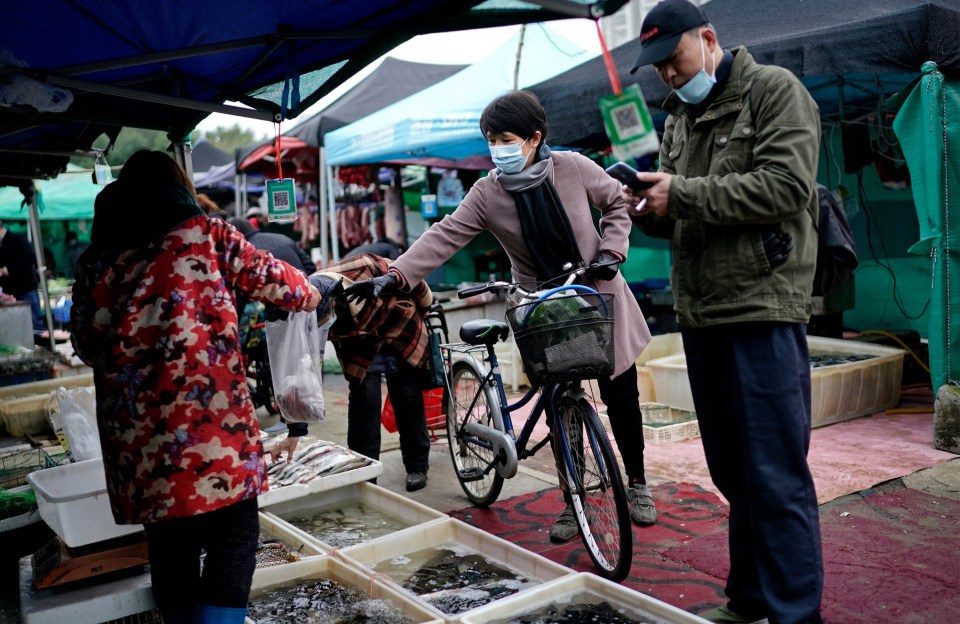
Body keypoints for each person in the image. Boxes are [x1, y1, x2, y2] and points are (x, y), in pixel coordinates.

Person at [344, 90, 658, 542]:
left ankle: (638, 483)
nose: (497, 149)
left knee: (622, 395)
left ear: (534, 138)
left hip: (598, 291)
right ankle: (576, 500)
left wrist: (612, 251)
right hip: (541, 304)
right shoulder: (488, 192)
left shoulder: (572, 167)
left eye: (505, 138)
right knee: (557, 406)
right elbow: (445, 234)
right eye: (491, 139)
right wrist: (394, 276)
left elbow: (617, 203)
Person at [625, 2, 823, 623]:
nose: (668, 77)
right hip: (704, 313)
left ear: (707, 39)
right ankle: (750, 599)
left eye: (674, 61)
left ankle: (797, 615)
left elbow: (787, 187)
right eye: (656, 69)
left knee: (776, 475)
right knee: (736, 475)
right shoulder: (678, 119)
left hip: (762, 306)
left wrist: (677, 193)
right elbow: (695, 211)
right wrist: (654, 210)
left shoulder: (774, 91)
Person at [70, 150, 322, 624]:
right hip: (213, 432)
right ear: (179, 188)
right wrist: (317, 289)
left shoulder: (95, 264)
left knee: (169, 548)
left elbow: (86, 345)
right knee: (234, 539)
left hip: (140, 445)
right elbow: (288, 289)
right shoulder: (206, 235)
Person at [317, 253, 433, 492]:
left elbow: (414, 277)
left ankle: (417, 466)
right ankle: (365, 473)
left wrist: (426, 305)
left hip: (399, 326)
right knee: (363, 401)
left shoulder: (365, 266)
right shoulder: (311, 299)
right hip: (359, 341)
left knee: (407, 396)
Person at [227, 216, 317, 438]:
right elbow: (310, 267)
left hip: (278, 314)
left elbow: (244, 292)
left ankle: (291, 422)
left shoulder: (247, 252)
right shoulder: (283, 238)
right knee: (306, 364)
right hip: (309, 305)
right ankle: (304, 417)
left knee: (283, 369)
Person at [0, 219, 44, 331]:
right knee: (17, 325)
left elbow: (31, 257)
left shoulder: (17, 239)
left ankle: (39, 346)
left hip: (26, 287)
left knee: (34, 322)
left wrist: (8, 269)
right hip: (10, 291)